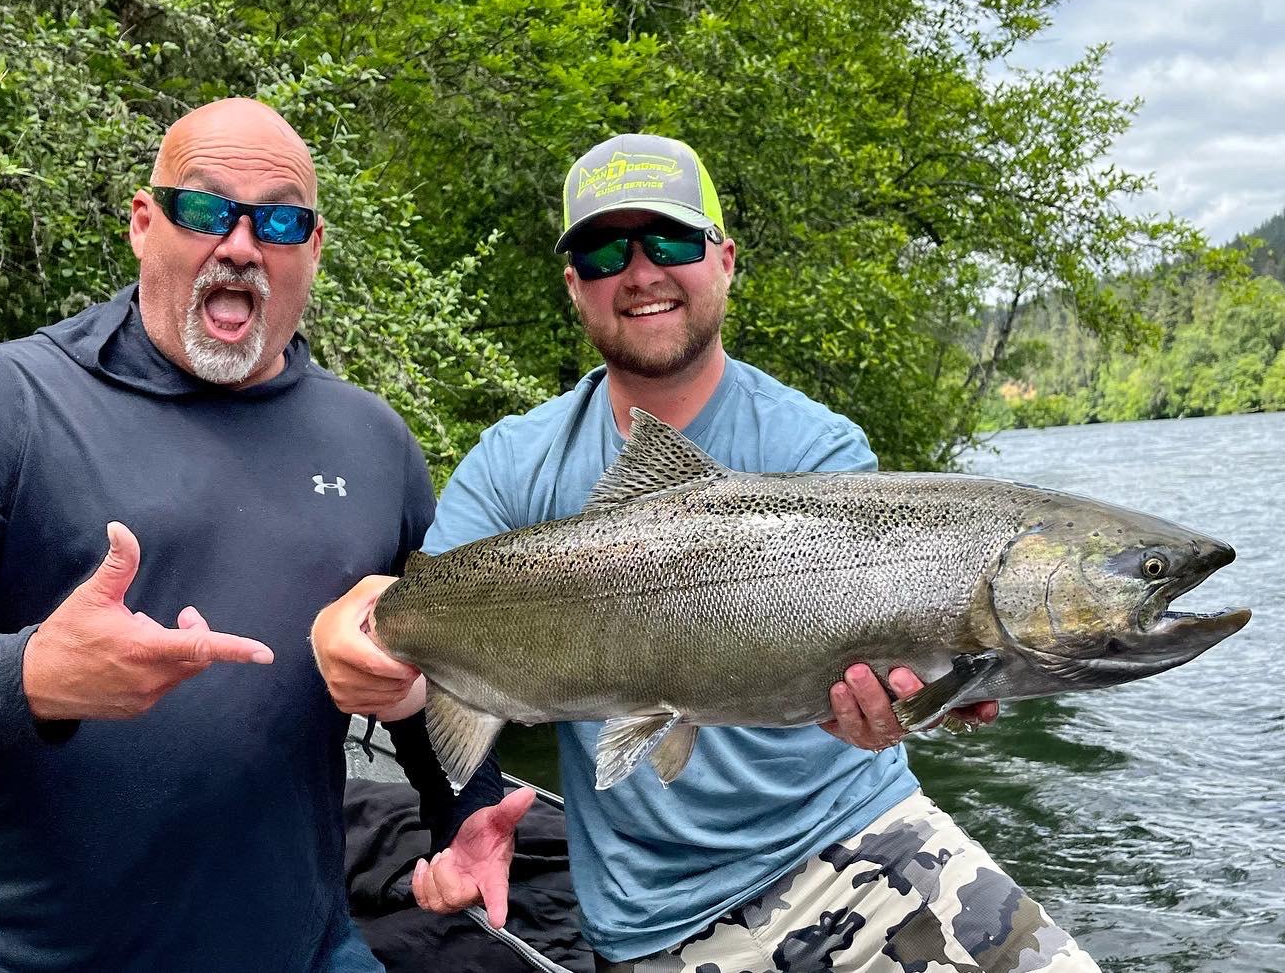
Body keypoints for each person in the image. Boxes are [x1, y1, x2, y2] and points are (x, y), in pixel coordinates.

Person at [314, 134, 1102, 972]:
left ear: (724, 260)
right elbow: (411, 644)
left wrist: (915, 705)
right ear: (576, 284)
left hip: (866, 843)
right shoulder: (514, 463)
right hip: (654, 918)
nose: (642, 270)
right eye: (606, 248)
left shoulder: (819, 447)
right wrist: (350, 643)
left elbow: (887, 679)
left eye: (673, 241)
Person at [0, 97, 531, 973]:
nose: (241, 244)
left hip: (306, 950)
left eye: (280, 220)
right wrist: (34, 675)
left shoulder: (373, 442)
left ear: (312, 250)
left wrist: (464, 814)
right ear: (143, 223)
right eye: (205, 209)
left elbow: (435, 668)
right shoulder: (7, 403)